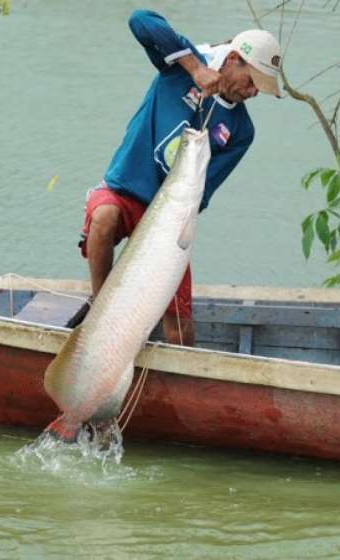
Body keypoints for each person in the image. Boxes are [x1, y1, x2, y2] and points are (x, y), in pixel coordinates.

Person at [66, 9, 282, 346]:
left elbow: (203, 191)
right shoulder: (180, 66)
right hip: (124, 192)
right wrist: (195, 68)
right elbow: (140, 20)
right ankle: (101, 306)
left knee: (181, 331)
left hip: (167, 220)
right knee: (104, 217)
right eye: (253, 81)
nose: (254, 93)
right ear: (234, 59)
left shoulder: (241, 131)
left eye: (262, 89)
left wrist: (166, 235)